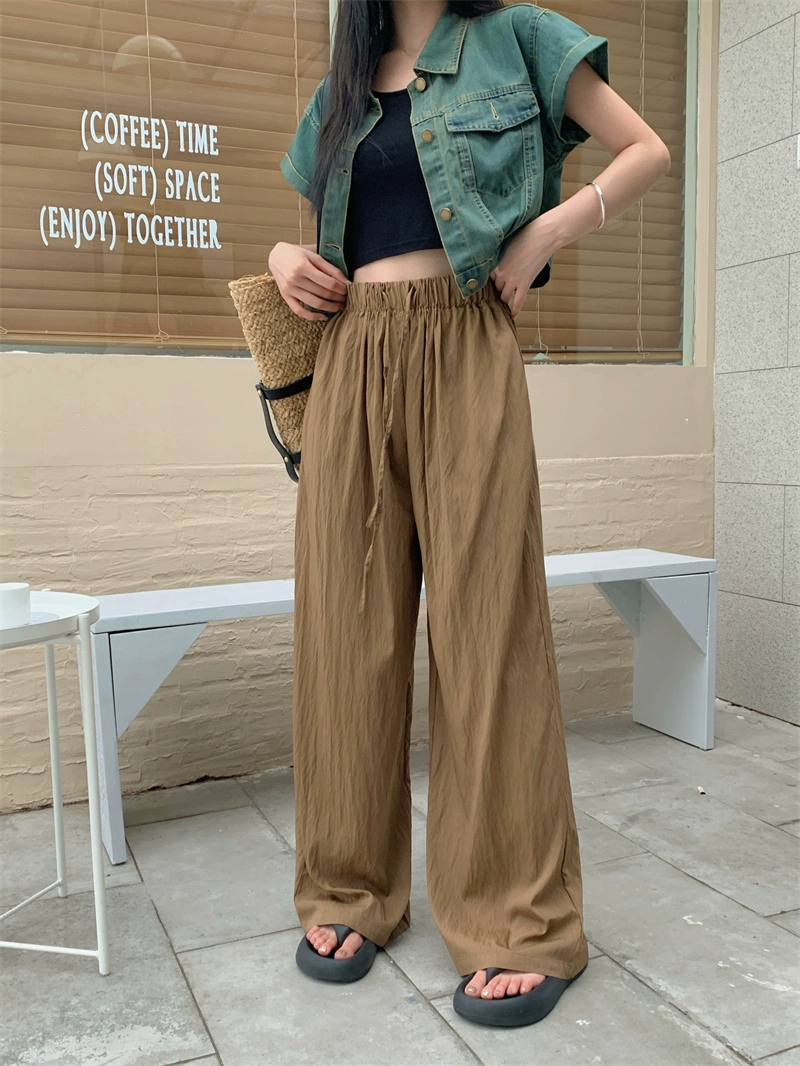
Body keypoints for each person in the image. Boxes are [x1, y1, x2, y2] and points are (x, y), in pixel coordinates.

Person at [269, 0, 670, 1028]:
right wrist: (281, 260)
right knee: (345, 631)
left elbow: (644, 151)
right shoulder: (344, 83)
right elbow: (327, 241)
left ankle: (517, 919)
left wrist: (547, 231)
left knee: (489, 631)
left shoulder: (518, 38)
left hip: (465, 345)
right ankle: (348, 886)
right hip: (351, 358)